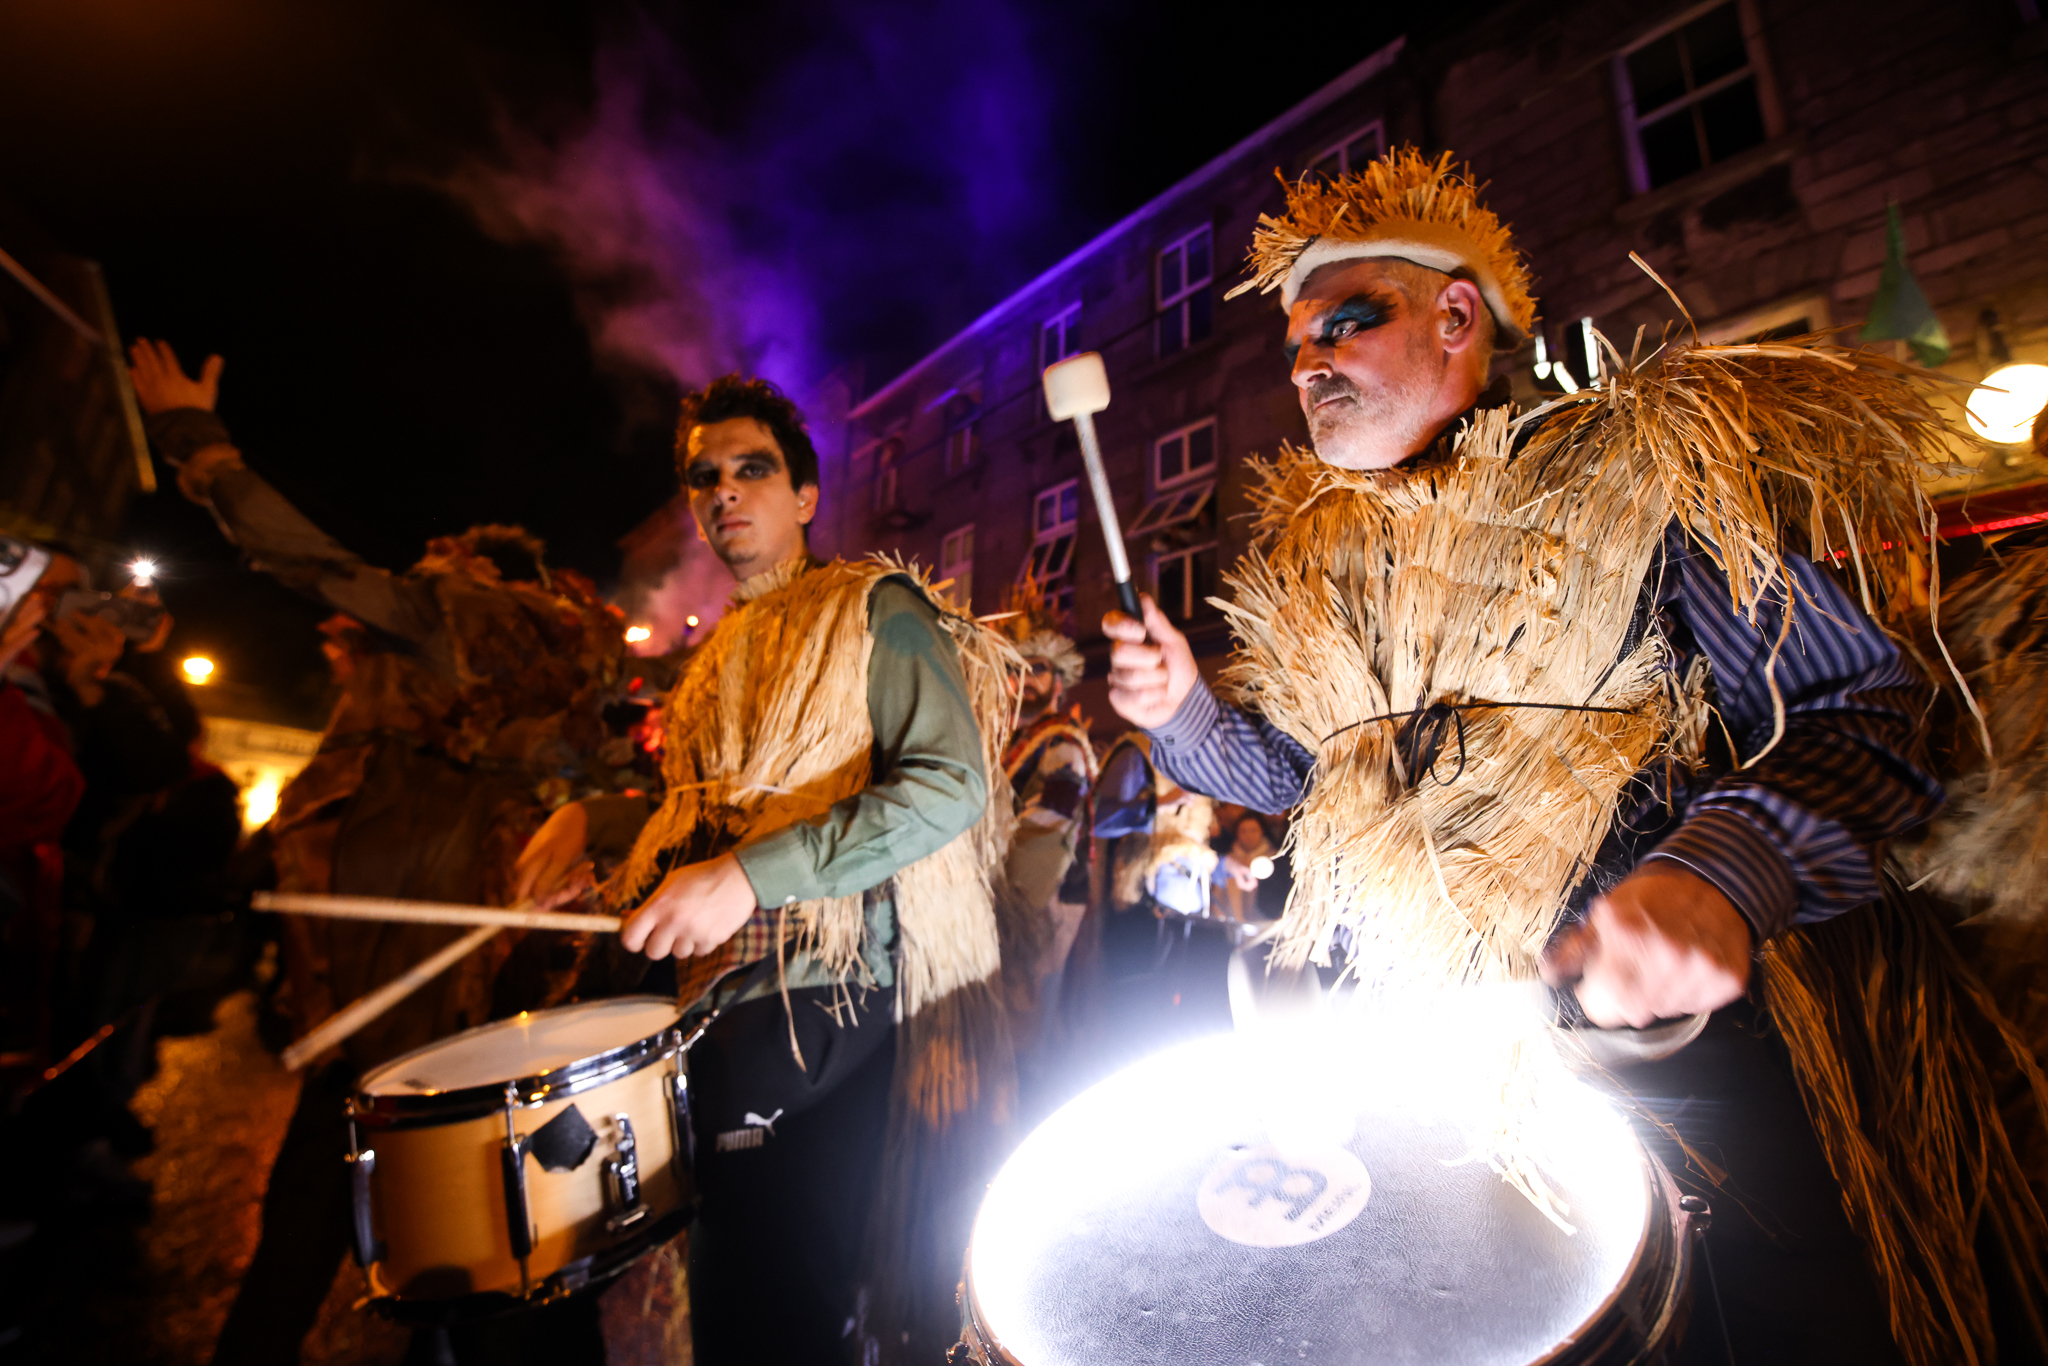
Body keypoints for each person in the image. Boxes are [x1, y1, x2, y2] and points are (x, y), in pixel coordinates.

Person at [1102, 148, 2046, 1363]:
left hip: (1668, 1094)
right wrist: (1182, 710)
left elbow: (1858, 711)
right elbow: (1300, 784)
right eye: (1291, 345)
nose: (1306, 363)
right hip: (1433, 1099)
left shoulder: (1638, 479)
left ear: (1454, 316)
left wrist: (1714, 874)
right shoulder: (1323, 563)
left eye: (1343, 322)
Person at [127, 338, 633, 1366]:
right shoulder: (552, 702)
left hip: (395, 1034)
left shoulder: (455, 628)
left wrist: (198, 441)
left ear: (483, 576)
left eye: (445, 562)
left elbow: (309, 559)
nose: (426, 572)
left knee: (309, 1246)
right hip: (486, 1029)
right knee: (480, 1270)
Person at [514, 375, 1020, 1366]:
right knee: (729, 1308)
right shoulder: (712, 663)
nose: (724, 491)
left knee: (782, 1313)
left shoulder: (872, 606)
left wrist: (751, 875)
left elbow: (948, 784)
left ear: (805, 496)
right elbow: (706, 816)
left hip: (826, 1002)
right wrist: (598, 819)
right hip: (714, 1004)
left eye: (754, 469)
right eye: (705, 477)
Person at [993, 588, 1095, 1067]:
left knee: (1018, 1028)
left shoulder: (1061, 742)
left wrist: (1008, 914)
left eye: (1036, 669)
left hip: (1035, 903)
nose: (1024, 680)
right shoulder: (1013, 738)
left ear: (1060, 681)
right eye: (1015, 669)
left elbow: (1048, 829)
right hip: (1010, 898)